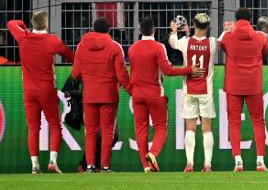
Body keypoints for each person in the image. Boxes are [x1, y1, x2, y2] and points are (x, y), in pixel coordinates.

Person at [7, 11, 74, 174]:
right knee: (55, 125)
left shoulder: (23, 37)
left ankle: (35, 165)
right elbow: (72, 57)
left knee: (33, 128)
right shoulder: (53, 41)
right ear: (45, 24)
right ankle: (52, 161)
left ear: (33, 24)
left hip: (29, 90)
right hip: (47, 90)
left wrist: (23, 26)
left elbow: (10, 23)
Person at [127, 17, 192, 172]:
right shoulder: (158, 47)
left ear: (140, 29)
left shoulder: (132, 48)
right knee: (161, 127)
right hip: (155, 93)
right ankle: (153, 153)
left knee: (141, 130)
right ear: (154, 30)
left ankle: (146, 166)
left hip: (137, 94)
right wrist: (188, 69)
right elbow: (168, 71)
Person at [70, 17, 131, 172]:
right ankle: (104, 166)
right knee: (108, 131)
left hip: (89, 95)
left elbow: (75, 73)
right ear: (109, 30)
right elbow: (122, 74)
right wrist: (132, 91)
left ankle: (90, 166)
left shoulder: (81, 46)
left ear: (93, 29)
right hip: (109, 95)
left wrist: (73, 87)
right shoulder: (115, 47)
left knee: (90, 131)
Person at [219, 7, 268, 172]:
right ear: (250, 20)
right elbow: (266, 51)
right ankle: (260, 161)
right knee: (258, 122)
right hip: (253, 84)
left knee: (234, 123)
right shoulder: (259, 37)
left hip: (234, 85)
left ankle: (238, 161)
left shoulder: (229, 37)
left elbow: (222, 46)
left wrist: (228, 30)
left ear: (236, 20)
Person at [168, 13, 218, 172]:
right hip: (206, 91)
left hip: (189, 90)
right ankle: (207, 164)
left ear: (193, 25)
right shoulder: (213, 43)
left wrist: (174, 30)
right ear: (208, 27)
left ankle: (189, 163)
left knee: (190, 128)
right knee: (207, 128)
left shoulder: (185, 42)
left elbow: (172, 42)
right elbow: (223, 40)